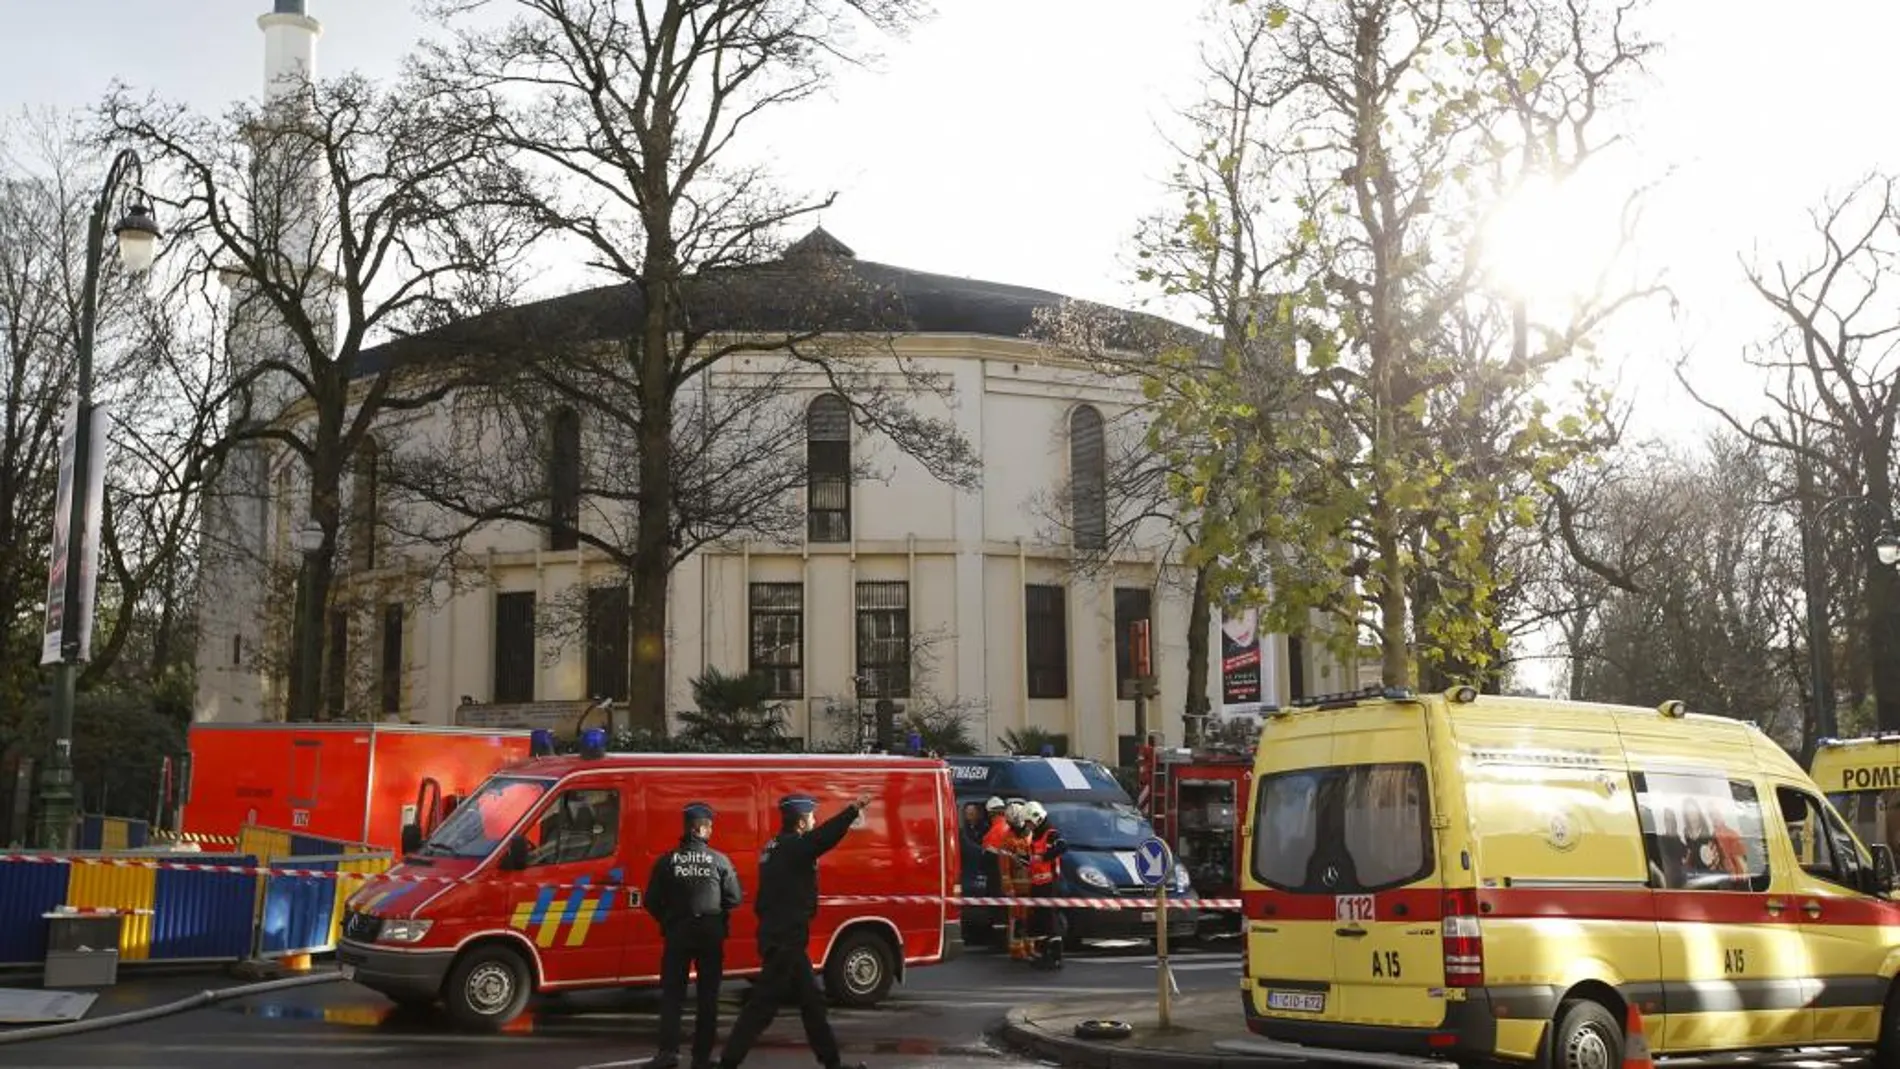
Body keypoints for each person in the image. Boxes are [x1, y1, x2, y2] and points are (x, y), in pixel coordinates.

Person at [716, 792, 873, 1069]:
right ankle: (728, 1062)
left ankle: (832, 1063)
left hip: (782, 938)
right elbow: (824, 838)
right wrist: (851, 811)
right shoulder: (793, 847)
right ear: (801, 822)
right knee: (762, 1009)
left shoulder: (773, 847)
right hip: (785, 941)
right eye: (811, 816)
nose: (814, 821)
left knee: (811, 1005)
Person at [645, 801, 742, 1069]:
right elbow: (734, 898)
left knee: (672, 995)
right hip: (710, 935)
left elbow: (650, 900)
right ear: (701, 828)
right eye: (710, 826)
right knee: (707, 997)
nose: (711, 831)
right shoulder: (719, 860)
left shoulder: (667, 861)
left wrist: (669, 920)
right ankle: (701, 1058)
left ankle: (668, 1054)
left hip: (678, 933)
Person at [1022, 801, 1069, 970]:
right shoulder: (1035, 836)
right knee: (1039, 920)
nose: (1028, 826)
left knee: (1050, 920)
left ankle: (1055, 957)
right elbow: (1032, 858)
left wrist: (1044, 857)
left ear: (1036, 817)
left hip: (1049, 884)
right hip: (1037, 883)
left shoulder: (1050, 834)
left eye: (1028, 822)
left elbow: (1063, 846)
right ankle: (1043, 955)